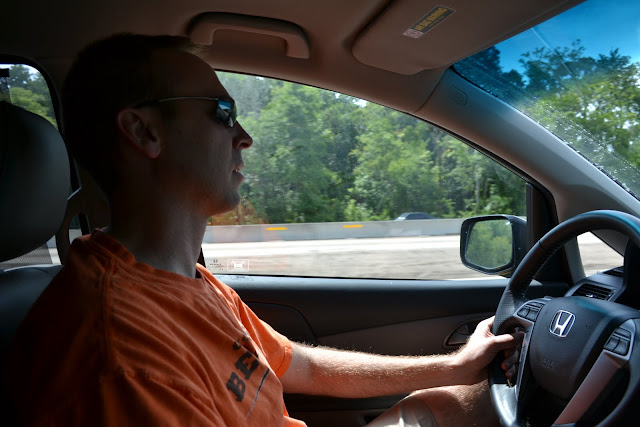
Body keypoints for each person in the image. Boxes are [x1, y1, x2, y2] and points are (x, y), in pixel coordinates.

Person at [6, 34, 522, 426]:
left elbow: (300, 366)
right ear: (143, 131)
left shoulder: (181, 280)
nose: (244, 137)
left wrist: (453, 365)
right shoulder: (120, 358)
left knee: (455, 398)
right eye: (222, 112)